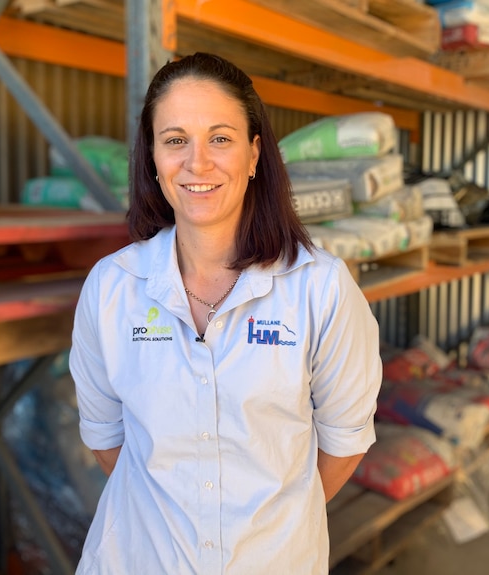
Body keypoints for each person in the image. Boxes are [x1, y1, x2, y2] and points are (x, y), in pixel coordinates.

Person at [69, 52, 382, 574]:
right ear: (151, 156)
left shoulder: (319, 288)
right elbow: (107, 440)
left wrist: (263, 530)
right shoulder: (112, 287)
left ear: (255, 154)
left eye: (220, 138)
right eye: (175, 140)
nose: (197, 163)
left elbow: (344, 445)